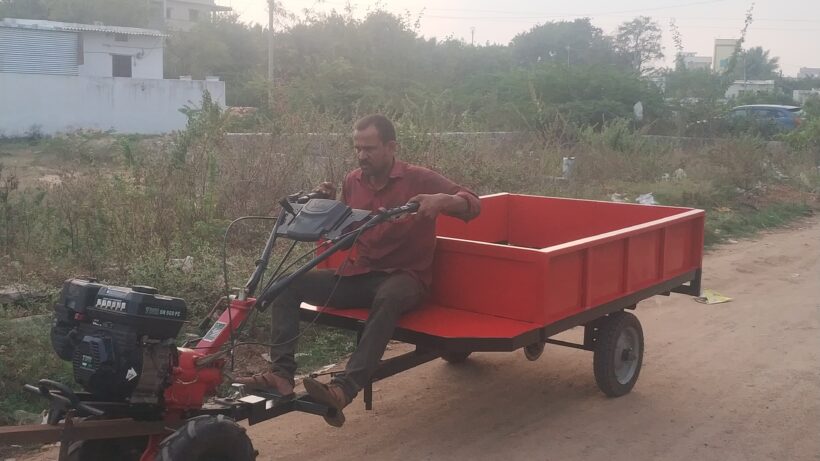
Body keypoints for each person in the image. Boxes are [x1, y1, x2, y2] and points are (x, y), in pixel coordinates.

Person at [235, 114, 481, 426]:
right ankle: (282, 375)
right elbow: (342, 223)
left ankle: (343, 389)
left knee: (388, 297)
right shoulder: (353, 181)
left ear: (391, 147)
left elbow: (472, 203)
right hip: (358, 274)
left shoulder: (419, 179)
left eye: (369, 148)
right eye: (357, 149)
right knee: (285, 285)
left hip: (405, 277)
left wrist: (443, 199)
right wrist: (323, 205)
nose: (362, 155)